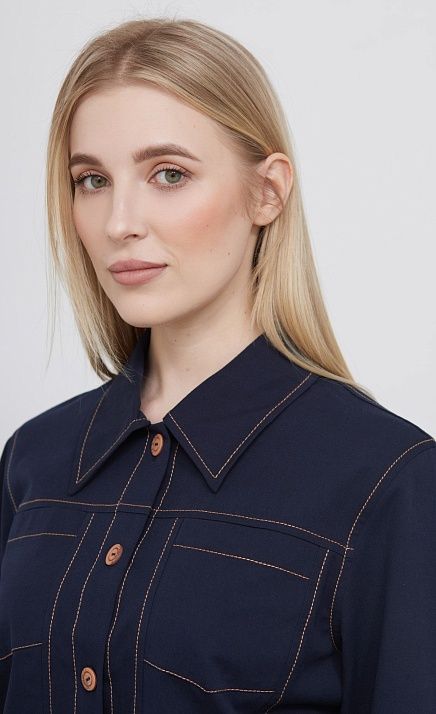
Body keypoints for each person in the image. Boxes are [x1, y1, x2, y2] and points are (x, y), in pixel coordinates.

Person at [0, 16, 435, 714]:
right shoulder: (33, 461)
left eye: (168, 174)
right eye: (92, 180)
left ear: (267, 192)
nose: (119, 222)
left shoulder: (385, 482)